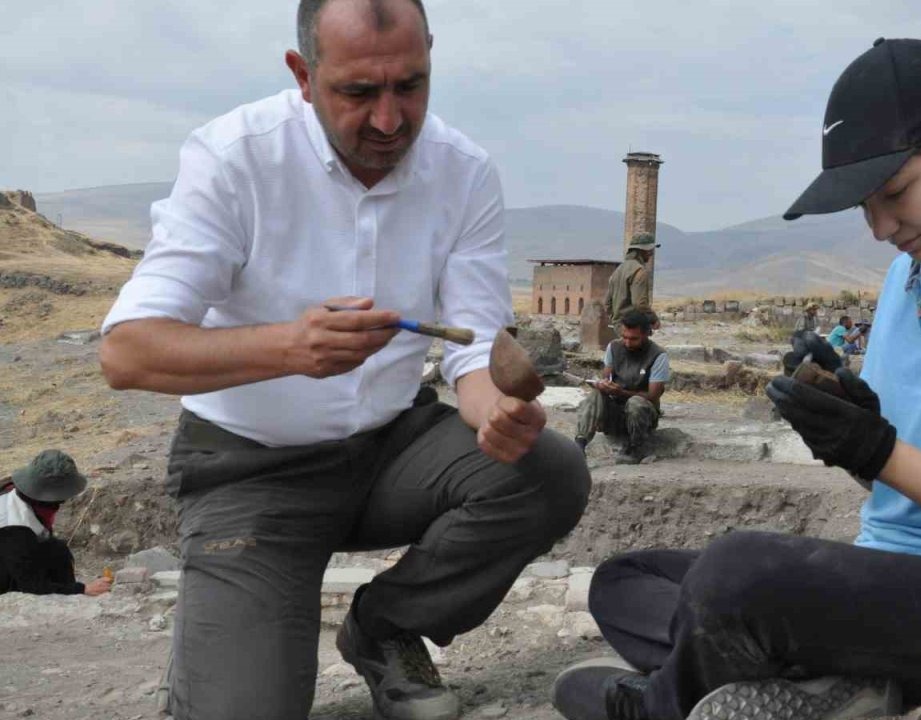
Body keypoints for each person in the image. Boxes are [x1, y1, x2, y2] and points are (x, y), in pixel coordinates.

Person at [552, 38, 921, 720]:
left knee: (733, 575)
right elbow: (902, 490)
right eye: (865, 204)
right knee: (626, 579)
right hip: (898, 574)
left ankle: (664, 704)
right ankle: (832, 682)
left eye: (897, 193)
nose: (881, 227)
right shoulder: (910, 279)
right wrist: (852, 433)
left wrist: (879, 451)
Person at [97, 2, 590, 719]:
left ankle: (384, 629)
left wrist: (494, 412)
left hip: (390, 451)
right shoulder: (235, 158)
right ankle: (225, 647)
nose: (389, 120)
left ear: (430, 55)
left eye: (410, 86)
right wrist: (289, 348)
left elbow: (473, 348)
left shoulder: (463, 171)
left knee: (546, 469)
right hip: (252, 473)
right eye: (359, 92)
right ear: (303, 74)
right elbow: (126, 351)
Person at [1, 450, 112, 597]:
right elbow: (31, 585)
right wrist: (82, 589)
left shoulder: (16, 493)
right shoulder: (14, 528)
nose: (61, 503)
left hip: (16, 551)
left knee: (58, 550)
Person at [574, 310, 670, 464]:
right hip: (615, 413)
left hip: (642, 417)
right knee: (596, 395)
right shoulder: (614, 347)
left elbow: (653, 396)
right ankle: (580, 444)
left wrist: (621, 392)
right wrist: (603, 385)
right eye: (624, 337)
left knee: (635, 403)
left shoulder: (658, 356)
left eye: (634, 339)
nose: (627, 343)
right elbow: (607, 376)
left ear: (646, 334)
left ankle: (636, 448)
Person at [605, 234, 660, 327]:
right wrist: (653, 319)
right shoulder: (639, 271)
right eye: (650, 250)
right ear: (642, 251)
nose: (651, 254)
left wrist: (616, 321)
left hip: (618, 327)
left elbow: (607, 304)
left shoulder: (618, 270)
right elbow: (640, 304)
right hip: (634, 328)